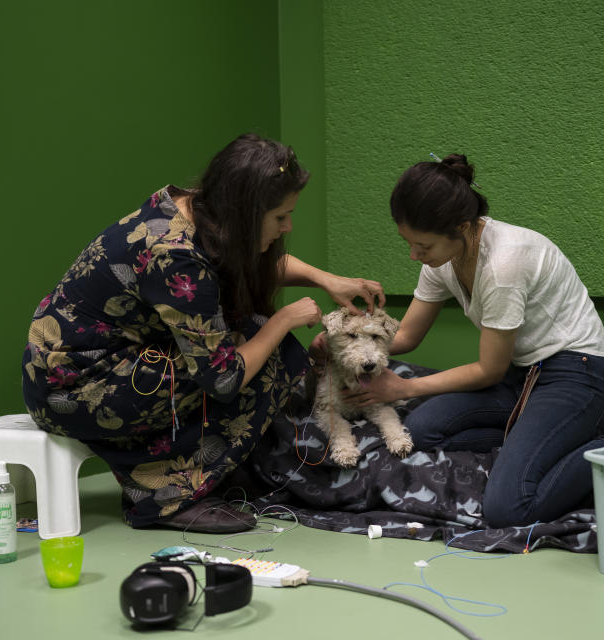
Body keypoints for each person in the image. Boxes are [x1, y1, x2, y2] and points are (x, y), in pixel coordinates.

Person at [21, 133, 384, 533]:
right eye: (280, 217)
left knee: (255, 336)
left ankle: (214, 469)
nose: (288, 226)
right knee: (267, 355)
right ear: (246, 213)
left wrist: (326, 280)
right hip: (73, 387)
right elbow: (223, 377)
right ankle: (165, 496)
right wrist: (285, 320)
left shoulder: (202, 209)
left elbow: (243, 263)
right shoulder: (175, 255)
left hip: (95, 361)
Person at [341, 153, 604, 528]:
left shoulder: (504, 265)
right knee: (422, 430)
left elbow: (489, 370)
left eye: (423, 247)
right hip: (523, 376)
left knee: (509, 508)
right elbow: (407, 335)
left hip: (580, 375)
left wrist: (403, 387)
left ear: (460, 227)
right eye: (408, 243)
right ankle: (545, 446)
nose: (414, 256)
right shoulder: (442, 258)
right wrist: (349, 343)